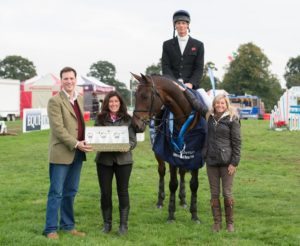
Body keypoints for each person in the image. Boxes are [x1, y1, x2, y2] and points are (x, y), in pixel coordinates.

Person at [43, 67, 92, 239]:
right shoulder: (55, 101)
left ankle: (68, 225)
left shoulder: (79, 98)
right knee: (56, 192)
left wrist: (88, 139)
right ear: (61, 80)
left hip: (78, 153)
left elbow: (80, 125)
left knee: (71, 191)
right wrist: (77, 143)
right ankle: (50, 229)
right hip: (61, 153)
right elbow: (58, 130)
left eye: (72, 78)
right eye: (66, 79)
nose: (69, 81)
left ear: (75, 79)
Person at [94, 91, 137, 235]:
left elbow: (133, 141)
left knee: (123, 192)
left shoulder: (128, 119)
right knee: (105, 193)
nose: (113, 104)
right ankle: (107, 224)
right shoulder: (100, 119)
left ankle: (123, 225)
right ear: (107, 103)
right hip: (104, 161)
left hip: (124, 161)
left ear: (120, 103)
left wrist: (126, 147)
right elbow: (95, 138)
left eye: (116, 102)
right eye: (111, 101)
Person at [204, 94, 241, 232]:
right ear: (214, 104)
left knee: (226, 193)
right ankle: (217, 223)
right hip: (211, 162)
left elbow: (237, 143)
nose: (219, 105)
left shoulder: (233, 119)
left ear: (227, 105)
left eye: (222, 103)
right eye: (217, 103)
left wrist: (234, 163)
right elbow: (196, 104)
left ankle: (230, 223)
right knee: (214, 193)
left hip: (227, 163)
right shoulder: (209, 118)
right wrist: (183, 88)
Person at [162, 10, 205, 90]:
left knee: (206, 102)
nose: (181, 26)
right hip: (172, 85)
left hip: (192, 86)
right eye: (178, 23)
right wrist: (173, 82)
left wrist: (191, 83)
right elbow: (166, 66)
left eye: (183, 23)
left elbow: (199, 68)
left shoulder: (199, 45)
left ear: (188, 25)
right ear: (175, 26)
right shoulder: (167, 45)